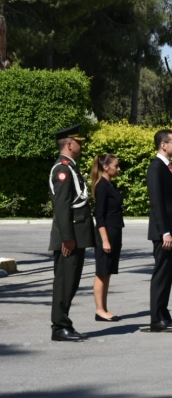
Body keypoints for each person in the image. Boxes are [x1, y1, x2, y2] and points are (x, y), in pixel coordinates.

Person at [48, 124, 95, 341]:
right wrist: (67, 238)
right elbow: (62, 206)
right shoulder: (63, 170)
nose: (81, 146)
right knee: (65, 282)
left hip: (76, 234)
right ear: (69, 144)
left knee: (71, 281)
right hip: (70, 236)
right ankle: (60, 326)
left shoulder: (70, 167)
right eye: (79, 142)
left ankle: (63, 324)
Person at [147, 129, 172, 332]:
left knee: (168, 274)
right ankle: (157, 318)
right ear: (163, 145)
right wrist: (164, 232)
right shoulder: (156, 168)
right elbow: (157, 203)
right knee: (161, 274)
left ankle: (163, 314)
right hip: (164, 232)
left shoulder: (167, 167)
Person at [91, 153, 124, 322]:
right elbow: (100, 216)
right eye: (116, 166)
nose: (119, 169)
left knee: (108, 272)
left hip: (114, 231)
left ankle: (104, 308)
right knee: (102, 272)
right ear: (105, 167)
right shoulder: (102, 186)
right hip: (106, 233)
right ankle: (99, 310)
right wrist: (105, 240)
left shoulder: (110, 184)